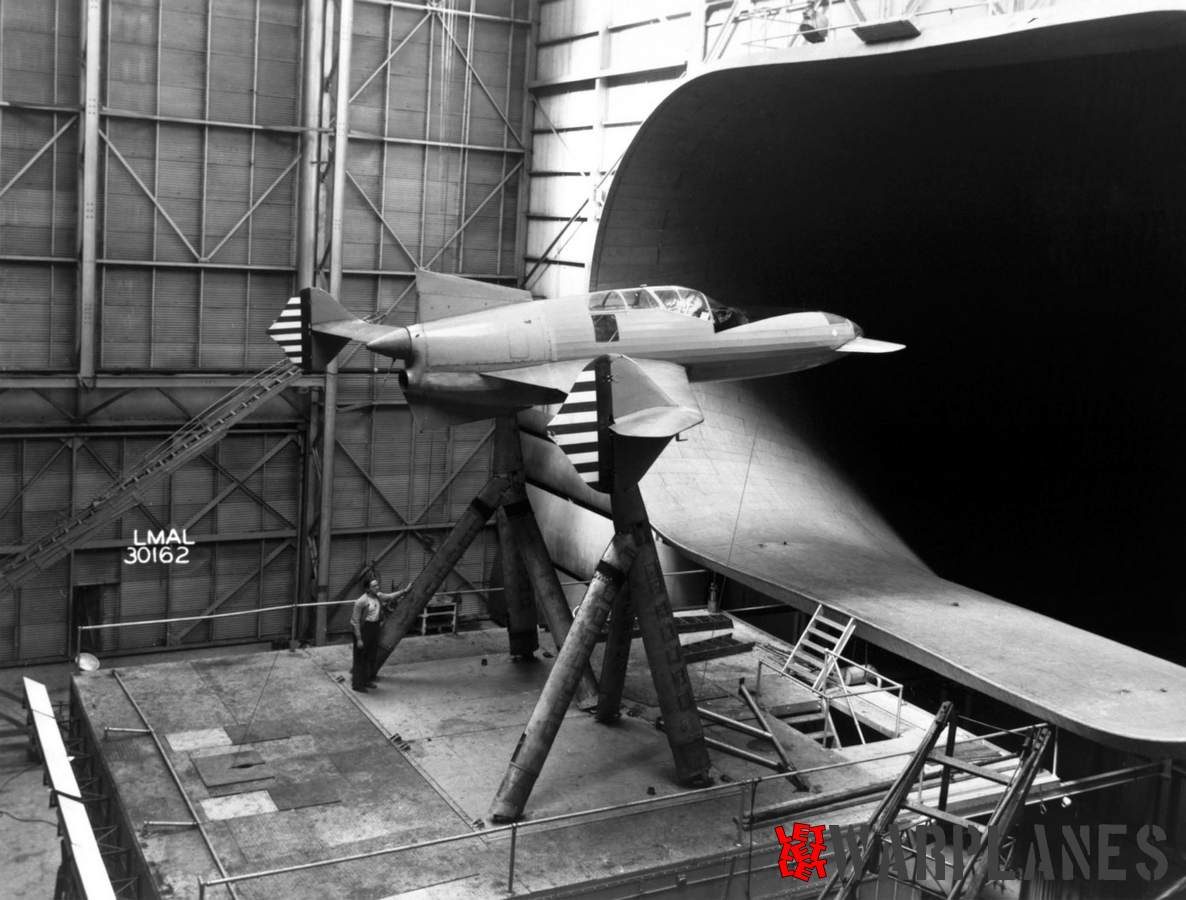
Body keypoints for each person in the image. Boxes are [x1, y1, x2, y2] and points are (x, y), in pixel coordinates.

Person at [350, 578, 409, 692]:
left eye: (377, 585)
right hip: (363, 629)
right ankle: (357, 685)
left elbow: (391, 596)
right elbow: (355, 621)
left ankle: (366, 680)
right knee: (360, 658)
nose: (377, 587)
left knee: (370, 657)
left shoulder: (378, 596)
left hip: (374, 627)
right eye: (374, 586)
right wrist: (359, 639)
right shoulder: (361, 601)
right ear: (367, 588)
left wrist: (405, 591)